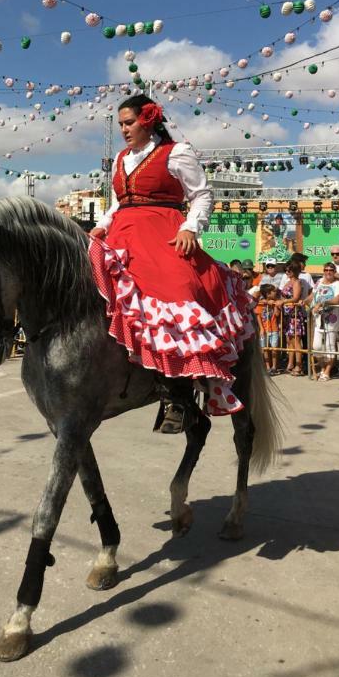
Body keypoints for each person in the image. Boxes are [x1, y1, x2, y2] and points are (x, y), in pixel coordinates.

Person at [89, 95, 254, 434]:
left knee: (179, 291)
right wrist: (102, 225)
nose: (123, 130)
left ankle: (176, 395)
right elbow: (117, 203)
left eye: (129, 123)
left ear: (147, 120)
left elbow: (202, 194)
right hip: (122, 231)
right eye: (121, 124)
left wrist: (190, 227)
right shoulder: (121, 158)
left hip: (162, 231)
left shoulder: (175, 152)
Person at [307, 262, 339, 381]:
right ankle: (322, 367)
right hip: (318, 318)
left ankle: (327, 371)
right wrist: (304, 301)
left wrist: (324, 303)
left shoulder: (338, 283)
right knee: (316, 347)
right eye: (326, 270)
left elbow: (338, 298)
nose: (328, 272)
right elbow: (312, 296)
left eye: (331, 270)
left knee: (330, 346)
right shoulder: (318, 282)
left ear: (334, 272)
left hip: (331, 318)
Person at [277, 260, 307, 375]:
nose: (287, 272)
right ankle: (290, 363)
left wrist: (283, 301)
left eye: (289, 270)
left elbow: (295, 298)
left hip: (295, 315)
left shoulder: (297, 282)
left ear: (295, 270)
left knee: (296, 340)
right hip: (287, 315)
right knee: (289, 340)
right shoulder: (287, 282)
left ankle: (299, 366)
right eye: (286, 270)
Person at [256, 283, 281, 373]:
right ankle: (267, 366)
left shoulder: (276, 301)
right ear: (267, 293)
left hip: (274, 329)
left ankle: (274, 366)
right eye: (273, 291)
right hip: (264, 329)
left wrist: (275, 305)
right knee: (265, 348)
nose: (275, 292)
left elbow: (277, 314)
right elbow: (258, 316)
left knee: (274, 348)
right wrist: (261, 328)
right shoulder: (260, 302)